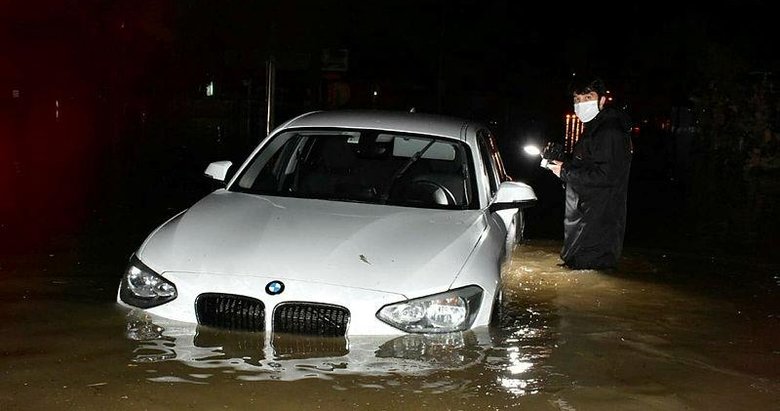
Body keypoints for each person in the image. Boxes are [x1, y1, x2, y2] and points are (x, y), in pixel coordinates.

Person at [547, 74, 633, 270]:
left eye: (588, 98)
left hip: (596, 227)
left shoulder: (609, 131)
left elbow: (607, 176)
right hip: (584, 221)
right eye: (577, 99)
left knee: (588, 276)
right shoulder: (595, 129)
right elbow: (589, 166)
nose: (581, 104)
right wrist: (562, 162)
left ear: (602, 100)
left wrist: (565, 171)